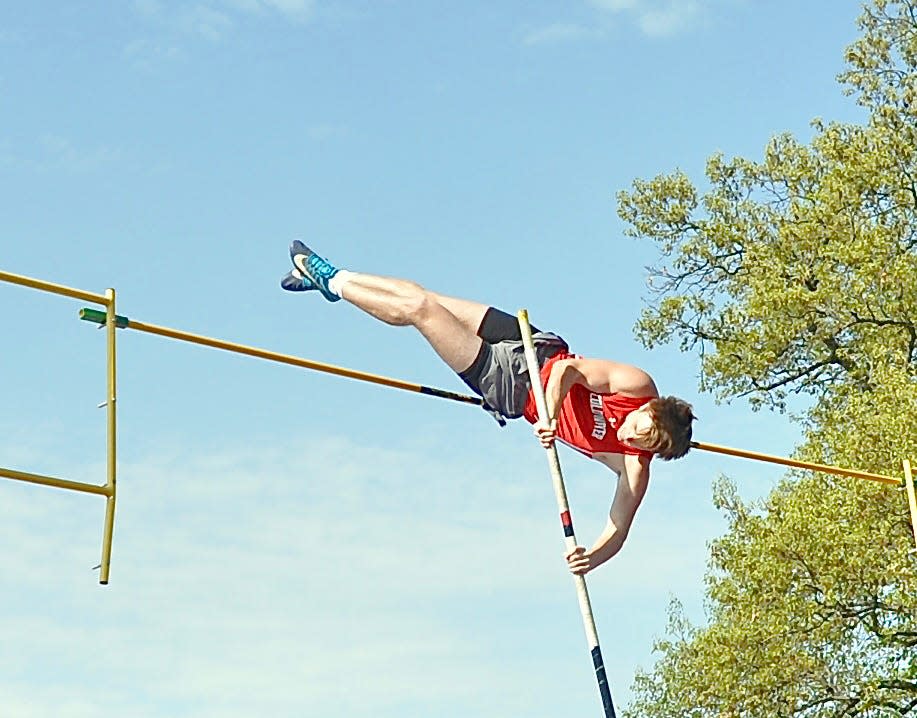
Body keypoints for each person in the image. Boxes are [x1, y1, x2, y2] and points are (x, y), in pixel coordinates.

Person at [281, 240, 695, 575]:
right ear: (651, 407)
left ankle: (330, 280)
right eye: (640, 425)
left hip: (510, 386)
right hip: (534, 345)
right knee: (428, 297)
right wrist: (553, 414)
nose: (631, 434)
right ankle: (335, 278)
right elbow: (569, 371)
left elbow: (619, 528)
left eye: (643, 441)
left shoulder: (634, 469)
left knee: (420, 312)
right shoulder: (637, 385)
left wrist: (593, 557)